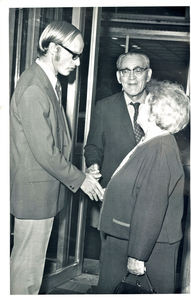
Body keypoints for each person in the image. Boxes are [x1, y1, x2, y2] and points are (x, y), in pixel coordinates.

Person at [10, 21, 104, 295]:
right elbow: (46, 152)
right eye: (74, 55)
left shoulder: (48, 83)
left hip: (42, 192)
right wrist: (81, 180)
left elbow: (54, 143)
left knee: (29, 267)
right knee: (26, 273)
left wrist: (81, 173)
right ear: (53, 48)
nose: (77, 62)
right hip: (34, 196)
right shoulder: (34, 88)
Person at [95, 80, 190, 294]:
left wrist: (138, 255)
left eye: (146, 102)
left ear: (156, 112)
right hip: (129, 240)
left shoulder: (159, 150)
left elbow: (151, 207)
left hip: (144, 248)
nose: (141, 104)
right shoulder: (152, 143)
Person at [84, 51, 152, 228]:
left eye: (137, 70)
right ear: (118, 76)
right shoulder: (104, 107)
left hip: (151, 195)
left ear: (148, 74)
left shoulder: (160, 107)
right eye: (125, 71)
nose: (131, 77)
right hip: (115, 196)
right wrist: (93, 165)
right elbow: (93, 146)